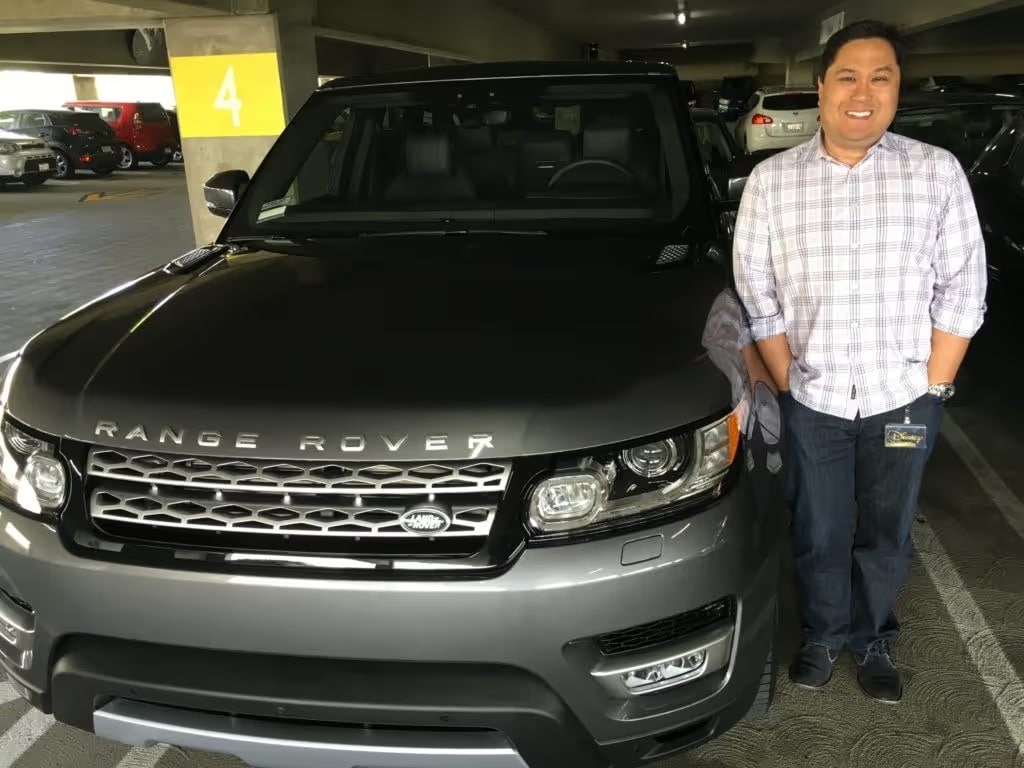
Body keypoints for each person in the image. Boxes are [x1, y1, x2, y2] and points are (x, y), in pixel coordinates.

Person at [731, 19, 988, 703]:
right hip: (811, 398)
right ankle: (823, 634)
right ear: (821, 86)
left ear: (898, 90)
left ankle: (873, 636)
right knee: (817, 530)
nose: (863, 92)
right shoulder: (771, 183)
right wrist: (790, 389)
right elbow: (758, 299)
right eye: (848, 76)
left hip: (902, 398)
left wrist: (933, 388)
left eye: (882, 77)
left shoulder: (935, 173)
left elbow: (964, 289)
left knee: (887, 532)